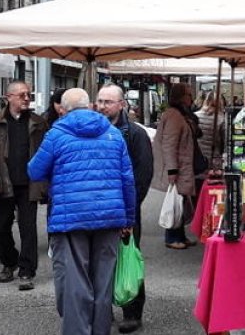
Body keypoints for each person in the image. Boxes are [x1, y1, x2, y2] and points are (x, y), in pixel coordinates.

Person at [28, 88, 136, 335]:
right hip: (110, 217)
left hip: (70, 218)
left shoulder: (57, 134)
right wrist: (128, 218)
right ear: (90, 107)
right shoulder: (113, 133)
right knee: (103, 282)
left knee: (75, 283)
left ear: (62, 109)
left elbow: (35, 172)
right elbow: (127, 179)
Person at [90, 85, 153, 333]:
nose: (103, 106)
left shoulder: (135, 134)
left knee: (128, 258)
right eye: (100, 101)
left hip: (126, 209)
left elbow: (143, 173)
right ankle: (104, 310)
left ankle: (132, 312)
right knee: (101, 261)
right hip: (99, 208)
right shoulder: (93, 132)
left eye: (108, 102)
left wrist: (130, 208)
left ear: (121, 104)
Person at [0, 80, 49, 290]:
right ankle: (9, 262)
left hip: (29, 183)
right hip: (2, 182)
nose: (27, 98)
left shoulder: (38, 123)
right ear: (8, 97)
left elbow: (45, 153)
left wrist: (45, 183)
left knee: (28, 229)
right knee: (1, 228)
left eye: (29, 94)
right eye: (22, 95)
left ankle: (27, 270)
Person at [152, 82, 202, 250]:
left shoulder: (182, 114)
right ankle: (172, 236)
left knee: (181, 200)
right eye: (188, 94)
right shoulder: (174, 116)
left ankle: (179, 235)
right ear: (181, 97)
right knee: (175, 200)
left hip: (183, 165)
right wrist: (172, 169)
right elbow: (169, 144)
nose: (191, 97)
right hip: (178, 166)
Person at [196, 92, 225, 172]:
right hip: (214, 161)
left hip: (197, 160)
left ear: (205, 101)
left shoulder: (195, 116)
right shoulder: (221, 119)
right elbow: (225, 142)